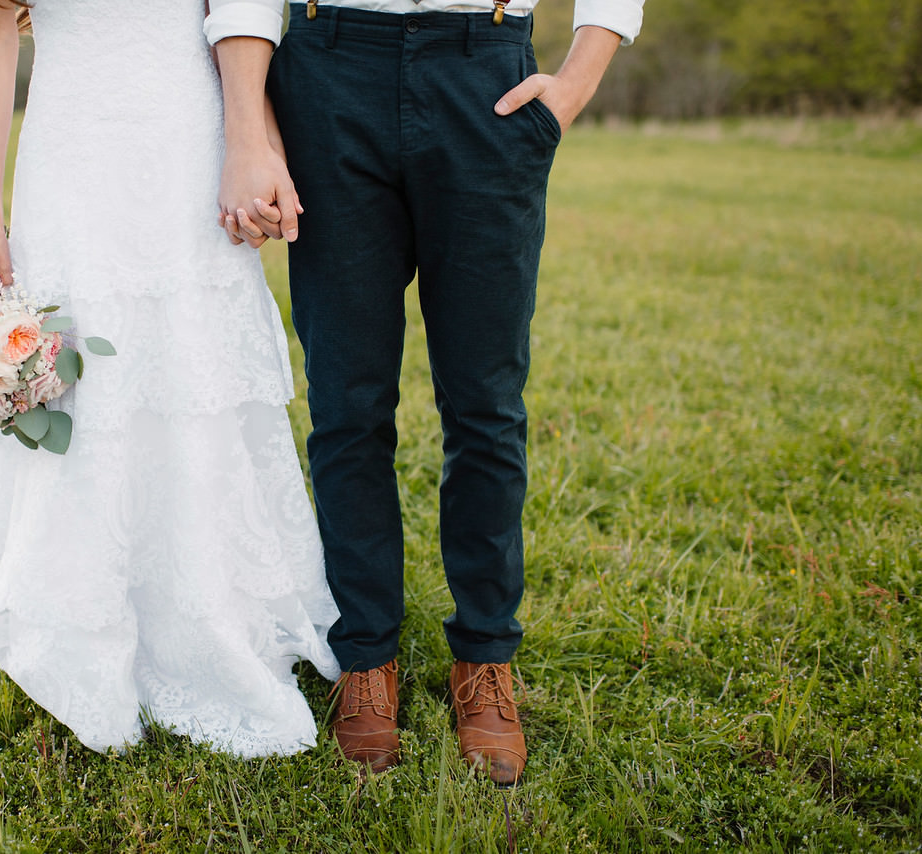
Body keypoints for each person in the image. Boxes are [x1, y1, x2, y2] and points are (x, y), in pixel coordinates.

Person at [211, 0, 644, 782]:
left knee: (485, 405)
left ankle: (483, 659)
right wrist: (246, 126)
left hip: (484, 71)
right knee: (347, 404)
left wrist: (576, 82)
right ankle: (366, 659)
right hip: (327, 68)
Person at [0, 0, 340, 758]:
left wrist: (258, 144)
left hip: (190, 142)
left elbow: (237, 17)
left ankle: (208, 599)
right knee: (87, 367)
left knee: (191, 363)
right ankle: (79, 602)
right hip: (72, 157)